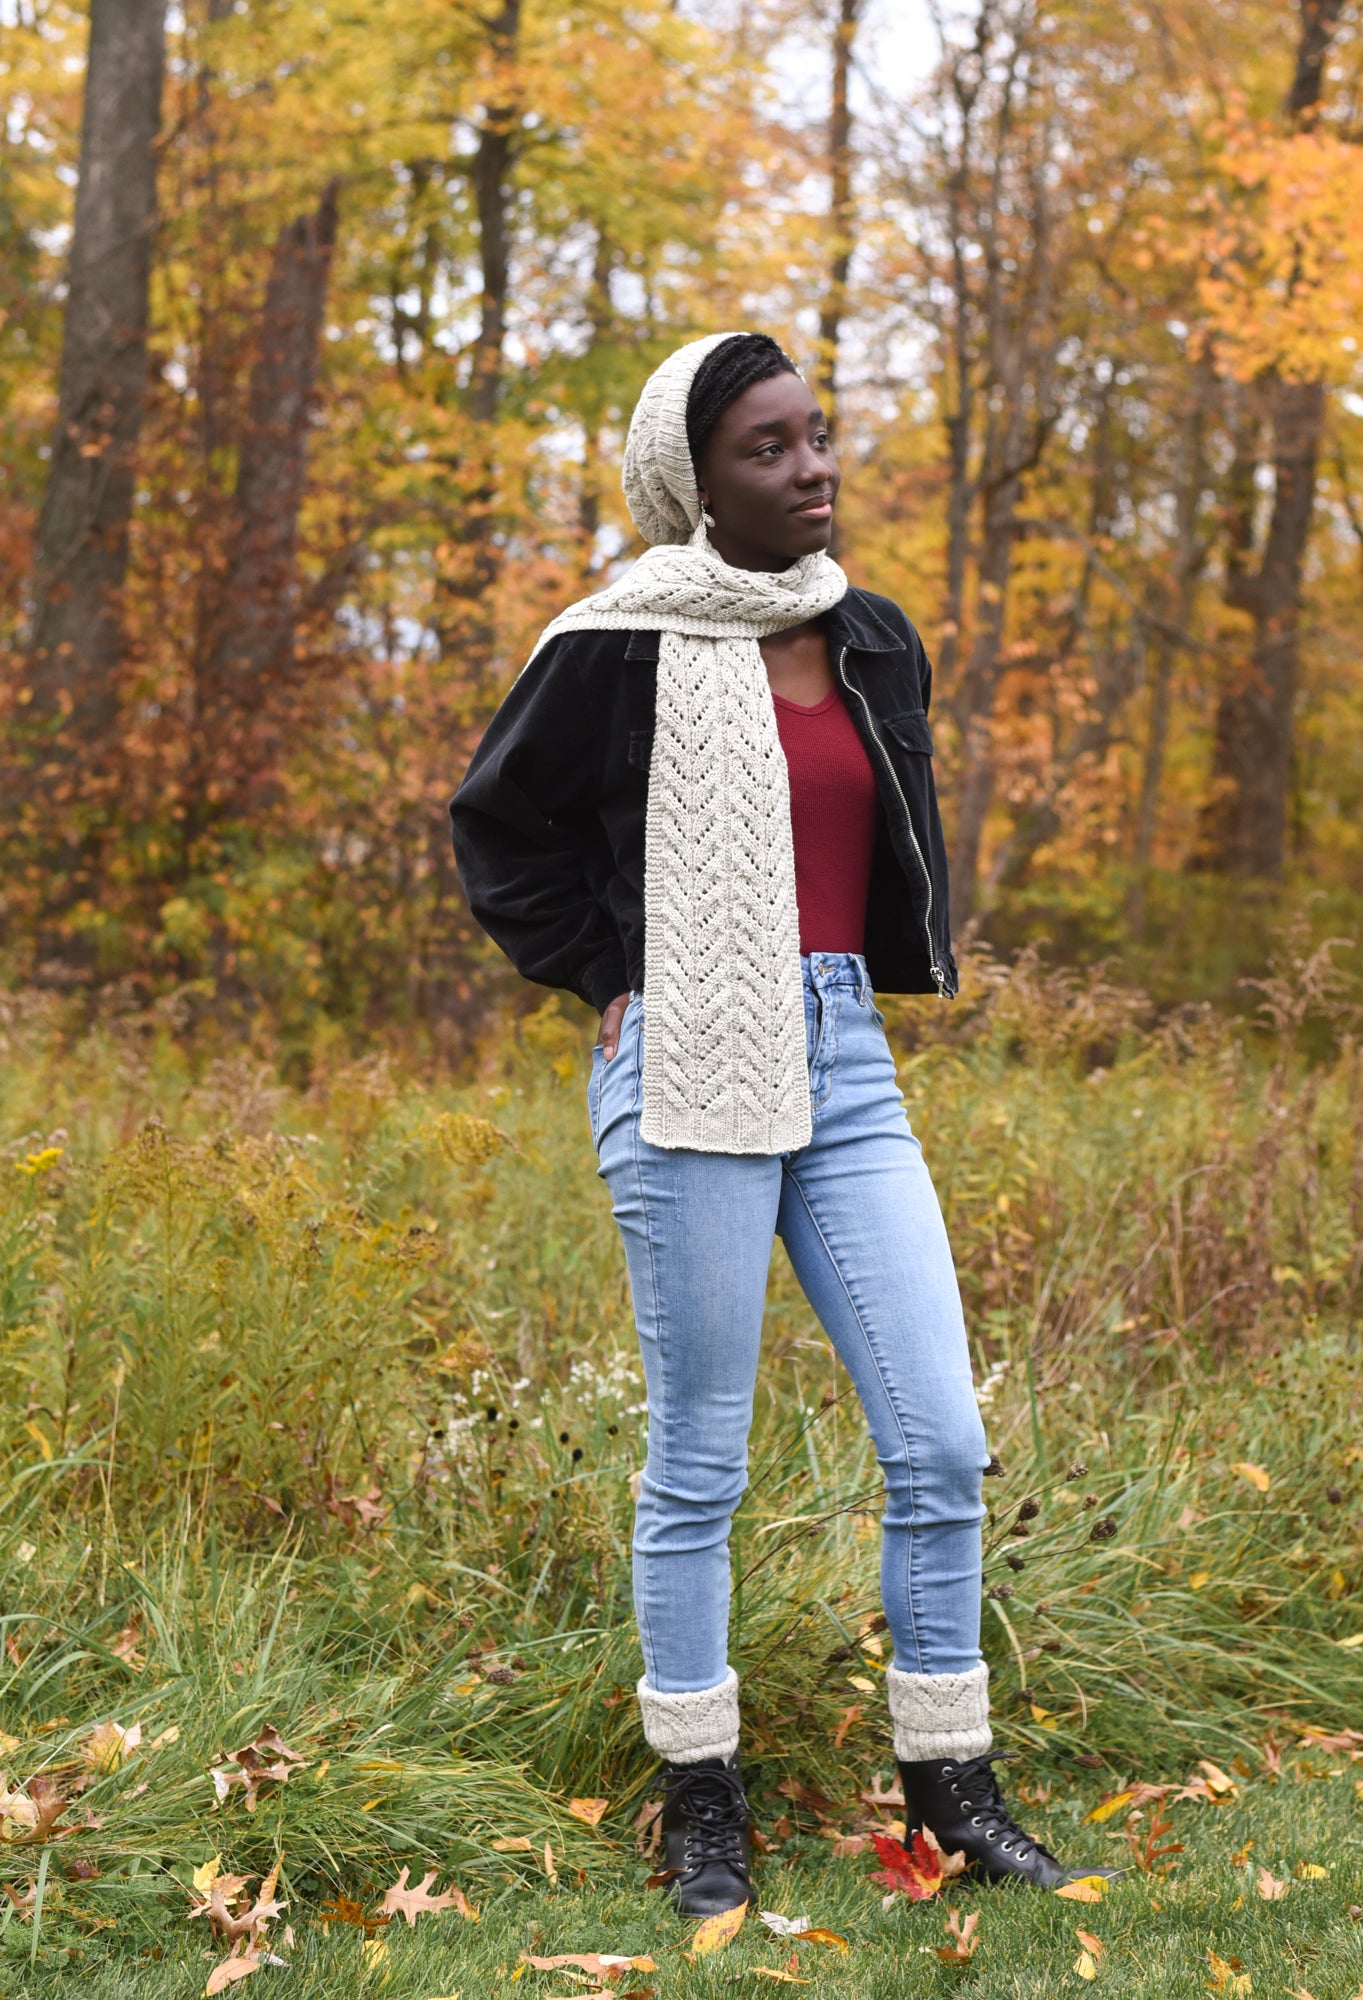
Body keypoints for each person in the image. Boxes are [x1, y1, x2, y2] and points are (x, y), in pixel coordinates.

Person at [451, 332, 1101, 1914]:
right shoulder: (612, 644)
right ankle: (702, 1797)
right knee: (702, 1461)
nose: (811, 467)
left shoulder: (868, 633)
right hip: (686, 1060)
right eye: (768, 448)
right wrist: (607, 974)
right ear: (694, 478)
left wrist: (861, 974)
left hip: (844, 1054)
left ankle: (949, 1782)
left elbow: (873, 848)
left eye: (817, 437)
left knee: (942, 1437)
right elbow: (497, 824)